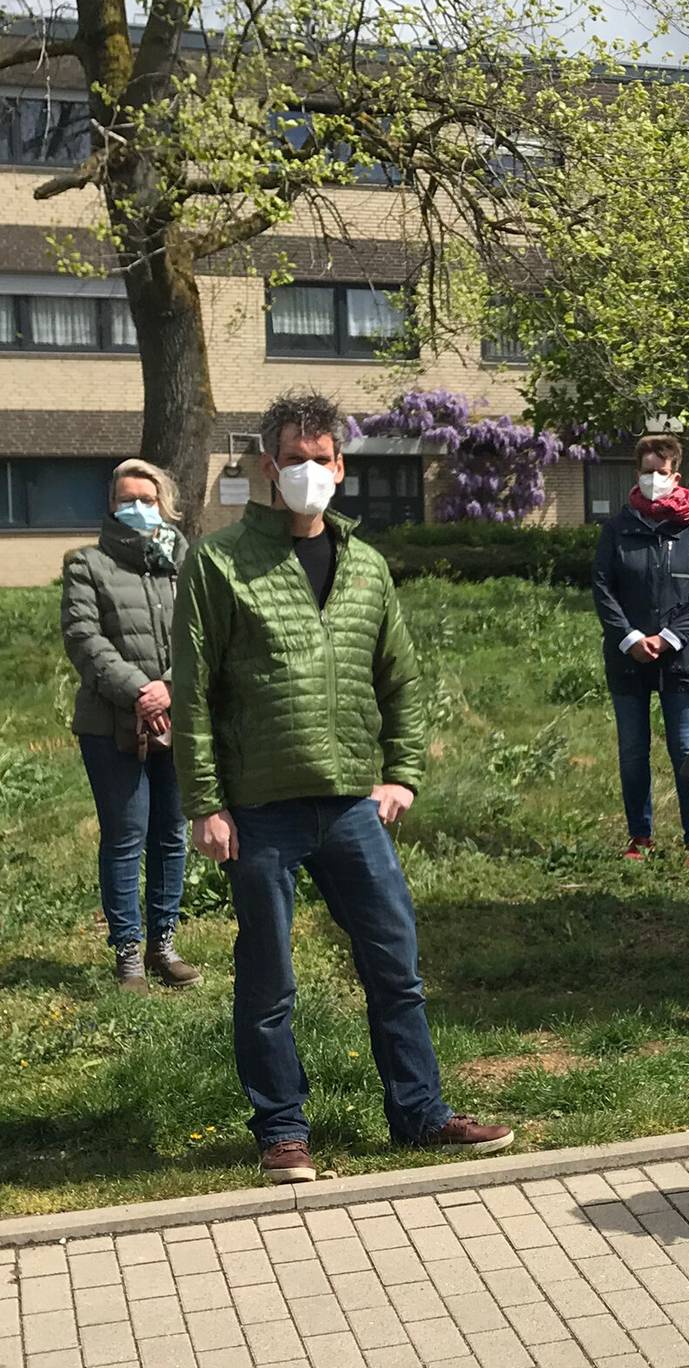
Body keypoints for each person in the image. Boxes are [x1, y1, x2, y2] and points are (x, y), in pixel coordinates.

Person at [172, 388, 513, 1185]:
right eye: (293, 460)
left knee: (396, 965)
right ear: (268, 466)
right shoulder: (220, 562)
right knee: (269, 979)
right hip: (259, 807)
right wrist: (204, 805)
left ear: (342, 466)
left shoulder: (365, 564)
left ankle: (420, 1115)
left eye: (321, 460)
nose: (308, 473)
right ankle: (283, 1132)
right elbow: (192, 692)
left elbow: (401, 677)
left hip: (353, 805)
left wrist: (403, 776)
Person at [62, 459, 201, 994]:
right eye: (126, 498)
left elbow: (201, 632)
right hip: (111, 725)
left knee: (172, 835)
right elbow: (84, 639)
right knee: (125, 837)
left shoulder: (183, 561)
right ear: (112, 504)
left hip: (177, 717)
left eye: (146, 497)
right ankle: (128, 959)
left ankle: (163, 946)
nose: (135, 507)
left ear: (163, 502)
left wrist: (168, 685)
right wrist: (140, 692)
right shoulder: (87, 565)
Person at [591, 434, 689, 868]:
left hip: (681, 660)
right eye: (646, 472)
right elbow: (603, 587)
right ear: (637, 474)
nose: (652, 479)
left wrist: (668, 638)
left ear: (676, 476)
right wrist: (629, 637)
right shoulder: (618, 529)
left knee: (685, 749)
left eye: (660, 473)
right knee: (633, 750)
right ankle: (640, 836)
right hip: (627, 659)